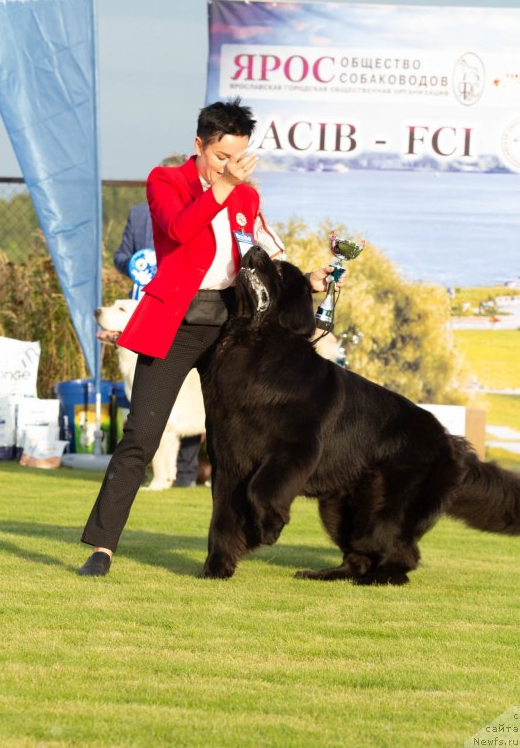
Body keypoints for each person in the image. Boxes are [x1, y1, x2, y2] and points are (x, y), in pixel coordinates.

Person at [79, 98, 343, 576]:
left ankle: (224, 555)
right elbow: (179, 229)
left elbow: (266, 259)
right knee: (142, 434)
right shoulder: (166, 181)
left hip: (232, 331)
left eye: (239, 156)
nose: (230, 166)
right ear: (199, 144)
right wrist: (222, 187)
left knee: (228, 444)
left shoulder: (247, 197)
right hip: (175, 325)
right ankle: (101, 548)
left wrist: (309, 280)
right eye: (222, 156)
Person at [113, 194, 202, 488]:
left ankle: (185, 474)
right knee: (145, 397)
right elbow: (121, 255)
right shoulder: (139, 214)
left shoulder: (198, 212)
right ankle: (144, 470)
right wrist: (135, 265)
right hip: (143, 308)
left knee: (186, 397)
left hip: (185, 309)